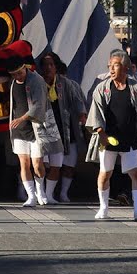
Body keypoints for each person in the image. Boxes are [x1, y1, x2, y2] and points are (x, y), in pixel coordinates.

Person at [88, 49, 137, 222]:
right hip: (108, 138)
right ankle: (103, 208)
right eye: (109, 65)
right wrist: (101, 132)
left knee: (136, 173)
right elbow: (96, 114)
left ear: (125, 67)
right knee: (105, 173)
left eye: (115, 65)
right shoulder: (102, 88)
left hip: (131, 137)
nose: (111, 68)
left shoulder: (136, 87)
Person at [6, 56, 60, 207]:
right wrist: (17, 120)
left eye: (19, 73)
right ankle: (30, 196)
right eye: (14, 74)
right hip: (18, 129)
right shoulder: (12, 83)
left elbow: (38, 105)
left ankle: (40, 191)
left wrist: (22, 118)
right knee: (24, 163)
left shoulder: (36, 80)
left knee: (37, 163)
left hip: (36, 127)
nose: (17, 76)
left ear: (25, 68)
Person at [38, 52, 86, 203]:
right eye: (45, 65)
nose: (48, 68)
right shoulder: (37, 82)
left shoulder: (65, 83)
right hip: (41, 130)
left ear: (56, 67)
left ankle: (50, 194)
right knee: (41, 164)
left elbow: (78, 101)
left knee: (57, 165)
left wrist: (82, 114)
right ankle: (40, 194)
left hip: (61, 130)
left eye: (51, 65)